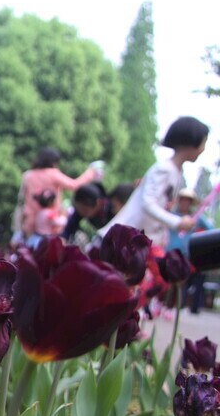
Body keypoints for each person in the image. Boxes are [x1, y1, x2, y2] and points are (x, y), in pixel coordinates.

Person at [101, 116, 210, 247]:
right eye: (203, 143)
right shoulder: (165, 169)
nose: (203, 149)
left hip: (137, 241)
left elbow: (161, 207)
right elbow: (148, 203)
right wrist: (177, 222)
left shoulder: (175, 172)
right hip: (125, 240)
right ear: (192, 141)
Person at [12, 147, 98, 244]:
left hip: (31, 223)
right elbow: (74, 185)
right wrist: (91, 173)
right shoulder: (53, 174)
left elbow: (22, 197)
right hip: (51, 224)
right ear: (53, 162)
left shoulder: (28, 175)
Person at [166, 188, 214, 313]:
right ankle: (159, 306)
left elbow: (210, 229)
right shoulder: (171, 214)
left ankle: (173, 308)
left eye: (188, 201)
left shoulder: (196, 218)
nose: (185, 203)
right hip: (168, 251)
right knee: (164, 281)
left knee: (180, 282)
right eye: (183, 200)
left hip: (185, 255)